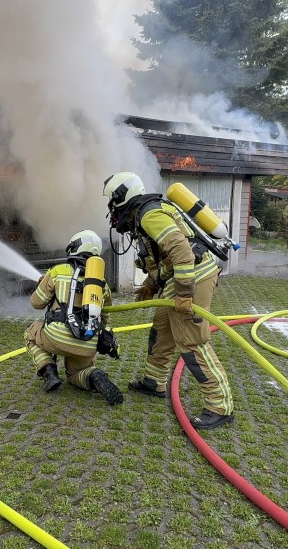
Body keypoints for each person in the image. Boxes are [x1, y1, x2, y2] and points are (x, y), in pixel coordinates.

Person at [102, 172, 234, 429]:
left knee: (191, 341)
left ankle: (220, 405)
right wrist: (151, 285)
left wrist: (184, 294)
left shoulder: (149, 215)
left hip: (192, 278)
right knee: (162, 330)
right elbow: (161, 258)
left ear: (122, 197)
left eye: (112, 202)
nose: (111, 209)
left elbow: (182, 253)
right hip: (179, 278)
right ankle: (154, 383)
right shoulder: (144, 216)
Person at [24, 229, 124, 405]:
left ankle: (49, 371)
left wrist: (43, 285)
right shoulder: (101, 283)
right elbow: (104, 317)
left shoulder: (58, 271)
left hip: (56, 337)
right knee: (76, 374)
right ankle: (94, 375)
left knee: (31, 333)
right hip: (87, 343)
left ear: (75, 248)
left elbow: (36, 303)